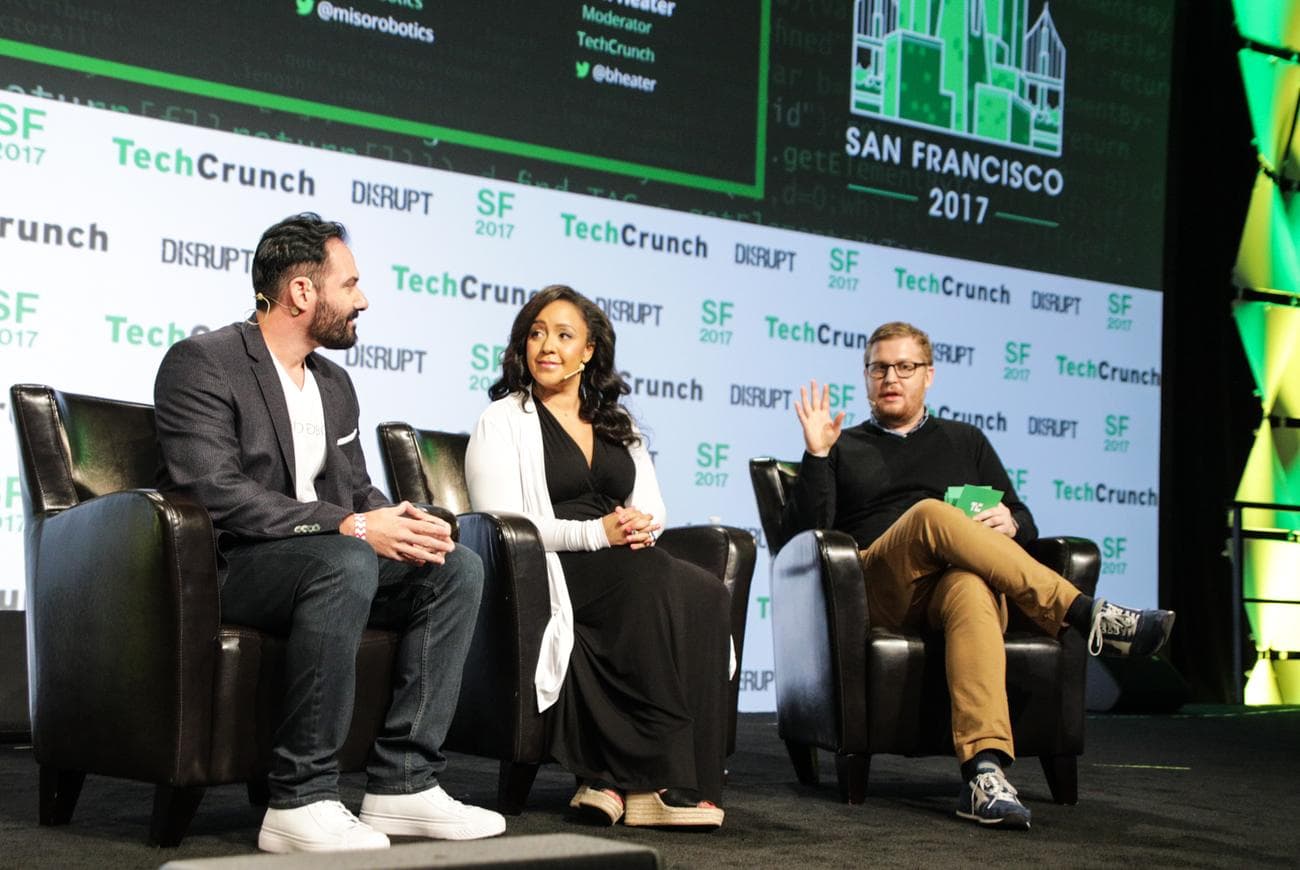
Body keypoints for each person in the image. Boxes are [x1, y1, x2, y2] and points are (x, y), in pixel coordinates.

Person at [153, 213, 506, 853]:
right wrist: (348, 525)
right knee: (345, 560)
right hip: (234, 567)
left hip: (324, 558)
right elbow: (214, 492)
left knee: (454, 566)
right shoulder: (204, 363)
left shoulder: (334, 383)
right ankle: (300, 797)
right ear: (301, 292)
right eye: (350, 285)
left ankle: (404, 782)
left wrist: (403, 523)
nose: (362, 300)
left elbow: (355, 489)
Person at [782, 320, 1175, 831]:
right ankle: (1083, 613)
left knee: (970, 588)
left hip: (948, 589)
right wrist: (816, 455)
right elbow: (804, 538)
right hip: (876, 589)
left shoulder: (965, 441)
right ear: (866, 377)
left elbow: (1023, 518)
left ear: (929, 375)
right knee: (931, 514)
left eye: (905, 367)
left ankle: (983, 773)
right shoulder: (842, 444)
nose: (890, 377)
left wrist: (1012, 523)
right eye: (878, 368)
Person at [464, 285, 730, 829]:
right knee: (644, 577)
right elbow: (506, 525)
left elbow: (651, 502)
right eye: (536, 334)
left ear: (589, 351)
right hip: (548, 562)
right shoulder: (503, 420)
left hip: (620, 554)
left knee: (706, 592)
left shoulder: (616, 422)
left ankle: (625, 778)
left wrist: (639, 524)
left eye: (564, 335)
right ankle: (655, 781)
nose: (547, 346)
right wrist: (597, 534)